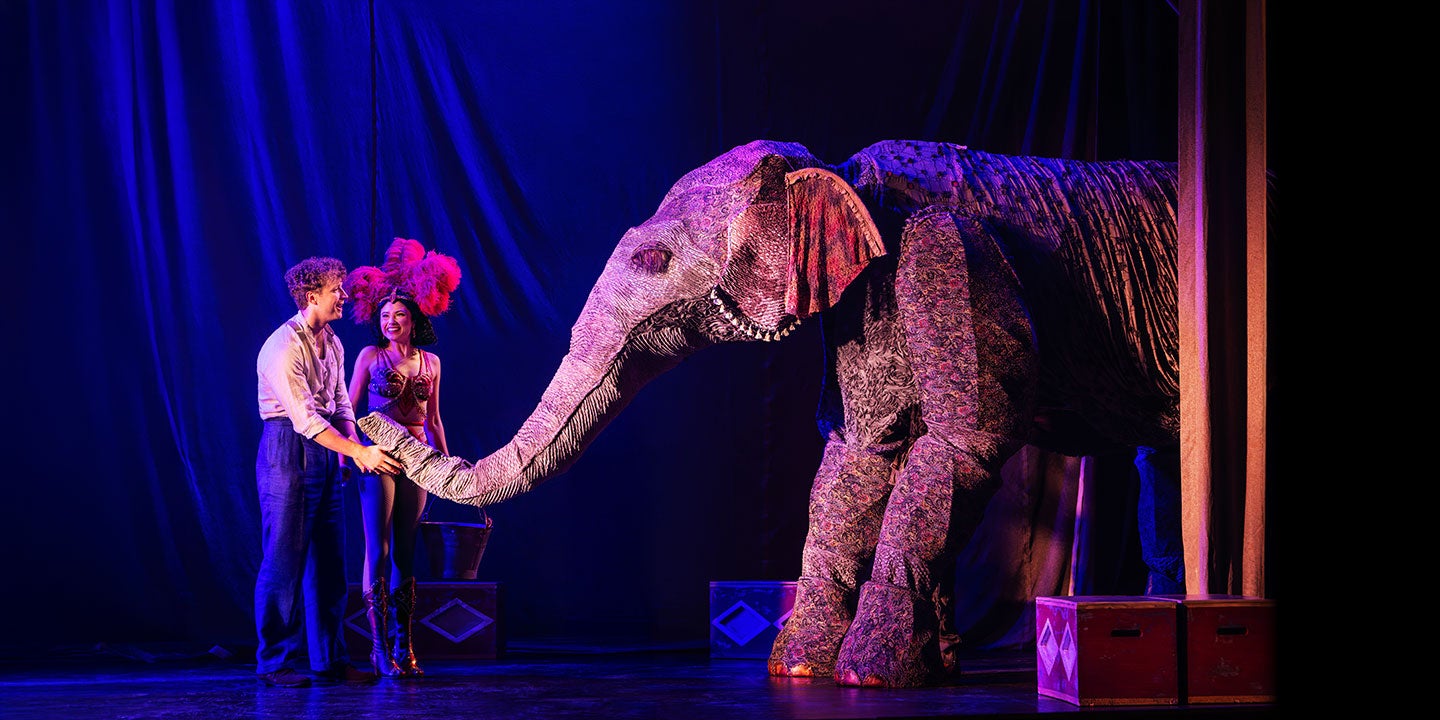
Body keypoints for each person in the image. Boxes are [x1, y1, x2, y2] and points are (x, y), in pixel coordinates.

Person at [254, 256, 402, 688]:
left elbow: (339, 406)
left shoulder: (333, 342)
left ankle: (330, 660)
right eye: (336, 289)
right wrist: (357, 452)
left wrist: (350, 453)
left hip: (325, 448)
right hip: (287, 446)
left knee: (330, 562)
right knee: (284, 559)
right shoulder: (283, 347)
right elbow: (304, 420)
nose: (345, 295)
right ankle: (275, 663)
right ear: (312, 296)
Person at [344, 237, 461, 678]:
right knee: (378, 547)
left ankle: (403, 643)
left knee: (406, 553)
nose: (391, 321)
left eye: (399, 315)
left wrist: (447, 465)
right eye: (385, 316)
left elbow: (435, 419)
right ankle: (377, 648)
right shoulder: (370, 356)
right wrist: (353, 455)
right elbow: (348, 409)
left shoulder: (432, 363)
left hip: (419, 460)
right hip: (379, 456)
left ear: (414, 320)